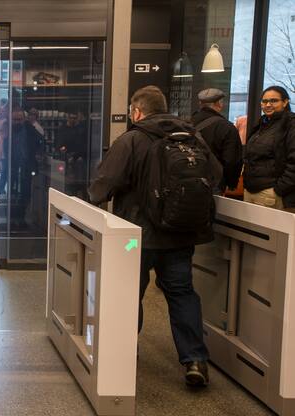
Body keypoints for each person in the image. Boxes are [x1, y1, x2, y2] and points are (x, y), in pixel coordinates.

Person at [88, 86, 222, 387]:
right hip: (180, 233)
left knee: (128, 293)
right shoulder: (192, 137)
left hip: (137, 236)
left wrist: (81, 202)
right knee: (182, 293)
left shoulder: (132, 139)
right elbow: (215, 174)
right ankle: (195, 360)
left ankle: (123, 352)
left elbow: (104, 184)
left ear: (137, 111)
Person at [242, 86, 295, 212]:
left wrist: (278, 189)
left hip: (271, 193)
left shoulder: (290, 124)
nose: (268, 105)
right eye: (264, 101)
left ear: (285, 102)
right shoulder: (263, 124)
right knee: (250, 231)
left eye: (274, 101)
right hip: (251, 189)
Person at [191, 88, 243, 193]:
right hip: (214, 183)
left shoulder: (187, 123)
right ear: (219, 103)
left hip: (188, 179)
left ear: (200, 103)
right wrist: (231, 183)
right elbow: (232, 160)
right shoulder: (227, 127)